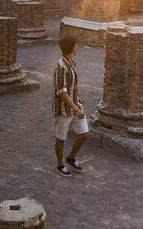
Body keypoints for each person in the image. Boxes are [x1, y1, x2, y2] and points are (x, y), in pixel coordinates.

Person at [53, 35, 88, 177]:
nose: (77, 47)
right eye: (76, 45)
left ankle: (71, 157)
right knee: (61, 137)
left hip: (75, 105)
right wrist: (76, 109)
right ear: (72, 48)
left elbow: (71, 86)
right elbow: (61, 92)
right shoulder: (61, 66)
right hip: (64, 109)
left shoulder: (71, 63)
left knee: (84, 133)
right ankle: (60, 164)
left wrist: (78, 97)